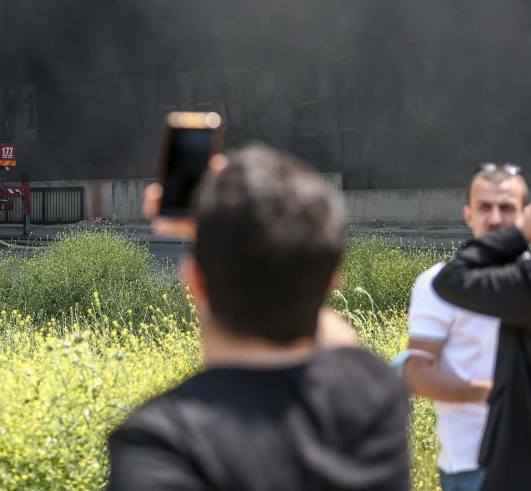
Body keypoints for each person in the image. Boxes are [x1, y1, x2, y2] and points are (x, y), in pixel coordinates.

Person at [106, 144, 410, 491]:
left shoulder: (163, 445)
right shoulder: (373, 394)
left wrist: (217, 235)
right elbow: (332, 332)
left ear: (194, 281)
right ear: (330, 285)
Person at [402, 166, 527, 491]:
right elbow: (417, 374)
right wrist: (497, 393)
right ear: (468, 214)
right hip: (472, 464)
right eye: (485, 207)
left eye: (507, 208)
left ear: (523, 216)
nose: (496, 218)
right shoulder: (436, 282)